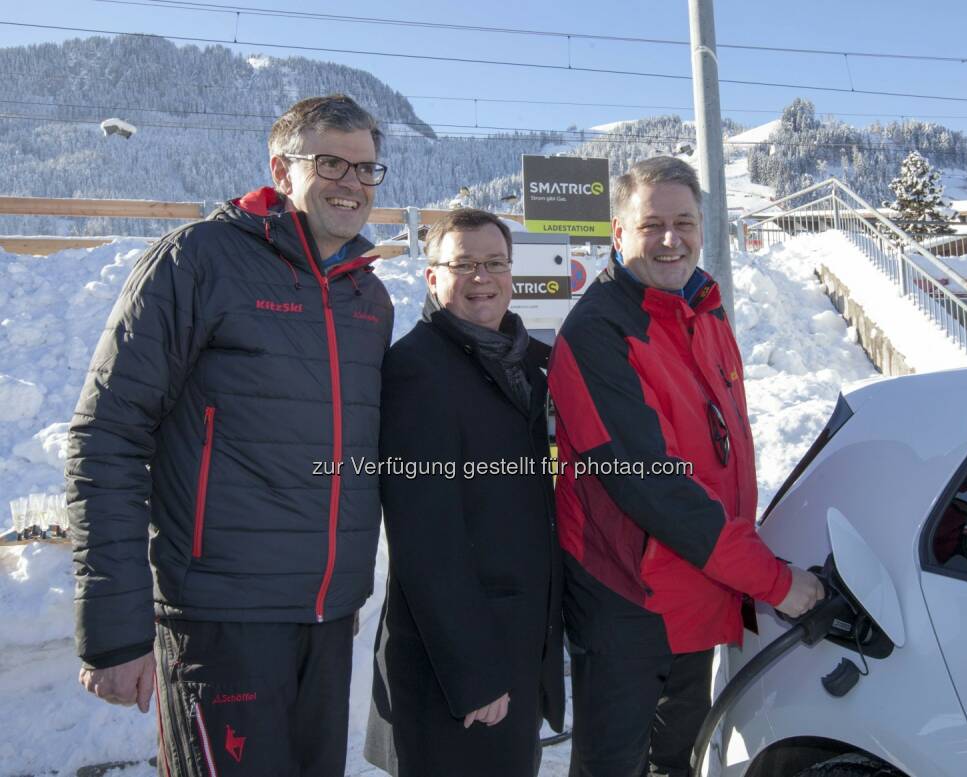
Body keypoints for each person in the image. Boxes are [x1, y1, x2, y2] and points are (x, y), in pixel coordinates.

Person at [66, 94, 394, 777]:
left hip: (326, 622)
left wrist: (339, 590)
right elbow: (108, 435)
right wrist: (114, 632)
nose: (352, 182)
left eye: (366, 169)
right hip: (219, 621)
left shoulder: (368, 297)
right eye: (330, 161)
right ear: (281, 168)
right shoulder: (200, 262)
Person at [546, 156, 825, 777]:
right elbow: (653, 486)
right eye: (651, 225)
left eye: (685, 221)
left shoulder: (704, 311)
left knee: (680, 757)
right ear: (618, 233)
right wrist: (774, 582)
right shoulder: (599, 332)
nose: (670, 239)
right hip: (629, 594)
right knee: (613, 762)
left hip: (697, 582)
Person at [365, 208, 564, 777]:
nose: (483, 277)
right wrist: (474, 674)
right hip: (457, 668)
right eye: (465, 264)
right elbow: (426, 541)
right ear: (433, 277)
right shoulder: (416, 371)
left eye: (495, 263)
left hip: (518, 647)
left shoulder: (531, 362)